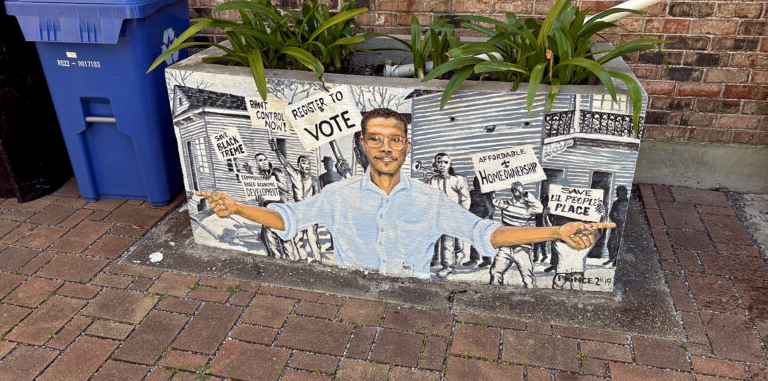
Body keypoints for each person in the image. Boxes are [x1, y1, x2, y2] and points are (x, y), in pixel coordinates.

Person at [198, 108, 612, 279]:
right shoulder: (339, 195)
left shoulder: (431, 200)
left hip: (414, 299)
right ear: (361, 144)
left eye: (394, 140)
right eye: (375, 140)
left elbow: (487, 235)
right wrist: (238, 207)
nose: (384, 148)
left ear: (407, 147)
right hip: (351, 295)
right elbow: (288, 219)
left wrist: (556, 233)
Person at [271, 140, 322, 263]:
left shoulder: (314, 180)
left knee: (312, 236)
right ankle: (303, 258)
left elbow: (319, 197)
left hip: (310, 210)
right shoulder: (295, 175)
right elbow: (285, 164)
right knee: (298, 237)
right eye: (304, 163)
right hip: (298, 210)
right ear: (299, 165)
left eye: (308, 163)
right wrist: (276, 150)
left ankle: (318, 259)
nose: (307, 166)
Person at [425, 152, 471, 278]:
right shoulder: (432, 181)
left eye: (445, 162)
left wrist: (462, 213)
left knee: (448, 242)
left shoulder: (458, 180)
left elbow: (466, 198)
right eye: (439, 162)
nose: (442, 165)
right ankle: (436, 260)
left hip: (454, 214)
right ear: (435, 164)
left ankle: (447, 267)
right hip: (438, 215)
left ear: (450, 164)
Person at [488, 182, 543, 288]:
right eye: (514, 189)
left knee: (528, 278)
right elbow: (496, 202)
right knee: (495, 272)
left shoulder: (530, 207)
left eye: (518, 189)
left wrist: (526, 195)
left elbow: (539, 208)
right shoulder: (506, 203)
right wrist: (492, 194)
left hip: (522, 248)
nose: (516, 191)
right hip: (506, 246)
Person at [251, 152, 299, 260]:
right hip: (267, 212)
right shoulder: (259, 178)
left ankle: (294, 265)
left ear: (267, 160)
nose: (263, 162)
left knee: (287, 243)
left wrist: (270, 182)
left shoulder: (276, 172)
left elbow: (285, 188)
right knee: (271, 244)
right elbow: (260, 198)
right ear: (257, 164)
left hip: (280, 211)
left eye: (264, 159)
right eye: (260, 161)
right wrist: (260, 200)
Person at [467, 176, 494, 268]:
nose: (477, 185)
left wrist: (484, 219)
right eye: (476, 183)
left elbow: (490, 209)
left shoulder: (488, 194)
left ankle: (487, 260)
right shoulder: (472, 193)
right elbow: (469, 205)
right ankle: (474, 259)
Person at [605, 186, 629, 267]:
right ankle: (611, 258)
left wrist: (620, 218)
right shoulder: (616, 203)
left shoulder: (627, 203)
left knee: (619, 244)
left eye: (618, 191)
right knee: (610, 243)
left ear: (623, 192)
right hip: (615, 225)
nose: (616, 193)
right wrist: (614, 217)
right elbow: (611, 214)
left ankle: (617, 260)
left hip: (622, 226)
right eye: (617, 191)